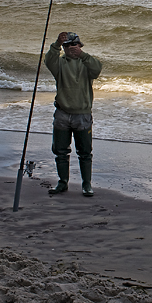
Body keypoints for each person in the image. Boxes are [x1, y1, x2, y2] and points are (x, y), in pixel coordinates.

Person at [44, 31, 102, 196]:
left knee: (85, 152)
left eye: (74, 45)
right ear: (64, 48)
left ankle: (87, 185)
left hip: (82, 115)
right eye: (67, 45)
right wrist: (56, 44)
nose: (71, 48)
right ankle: (62, 183)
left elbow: (97, 69)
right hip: (62, 113)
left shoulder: (87, 63)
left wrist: (83, 55)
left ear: (80, 46)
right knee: (60, 151)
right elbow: (48, 60)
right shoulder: (60, 64)